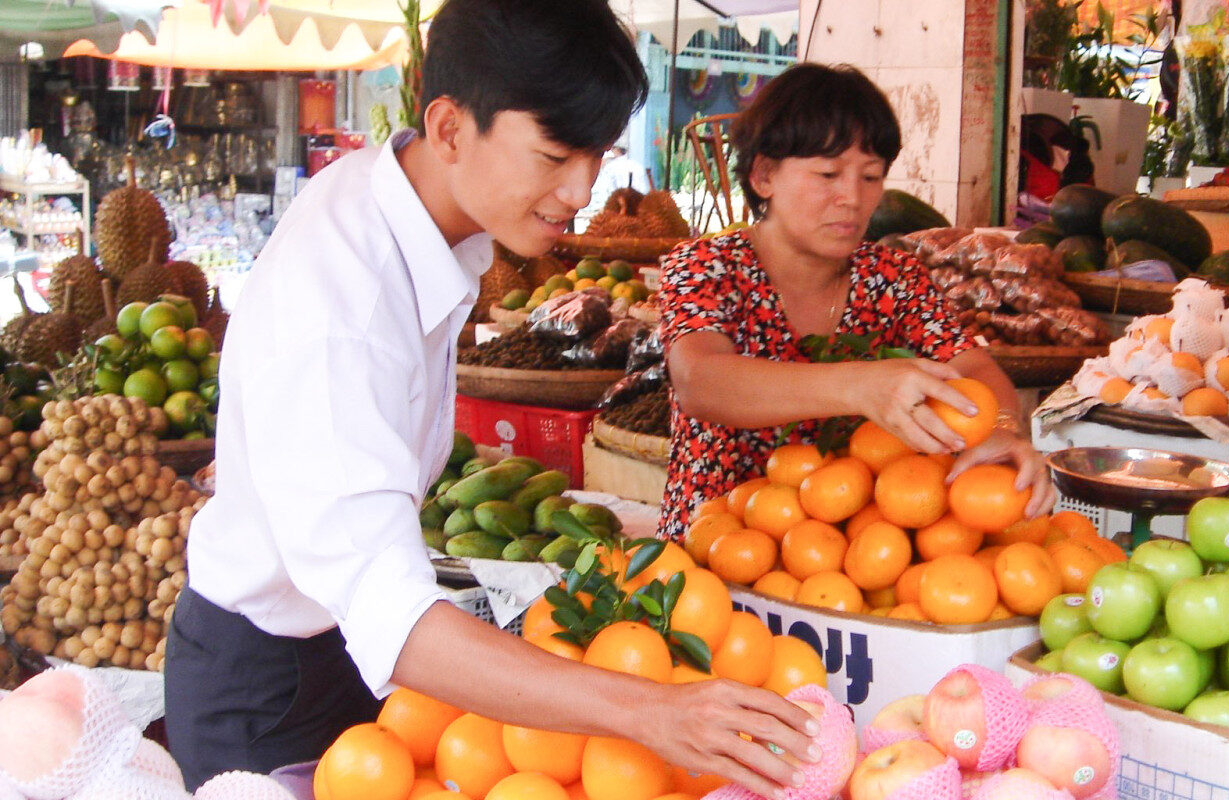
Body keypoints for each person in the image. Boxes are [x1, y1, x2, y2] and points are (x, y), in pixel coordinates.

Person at [164, 1, 818, 796]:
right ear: (448, 128)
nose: (579, 190)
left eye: (596, 154)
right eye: (552, 155)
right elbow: (396, 621)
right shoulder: (344, 311)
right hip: (264, 688)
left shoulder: (420, 210)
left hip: (333, 651)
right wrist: (649, 711)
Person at [656, 63, 1054, 541]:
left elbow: (974, 370)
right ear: (763, 176)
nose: (852, 197)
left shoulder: (893, 277)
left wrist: (1002, 430)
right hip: (714, 550)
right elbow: (700, 380)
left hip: (851, 559)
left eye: (870, 177)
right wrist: (859, 386)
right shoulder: (705, 265)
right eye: (828, 174)